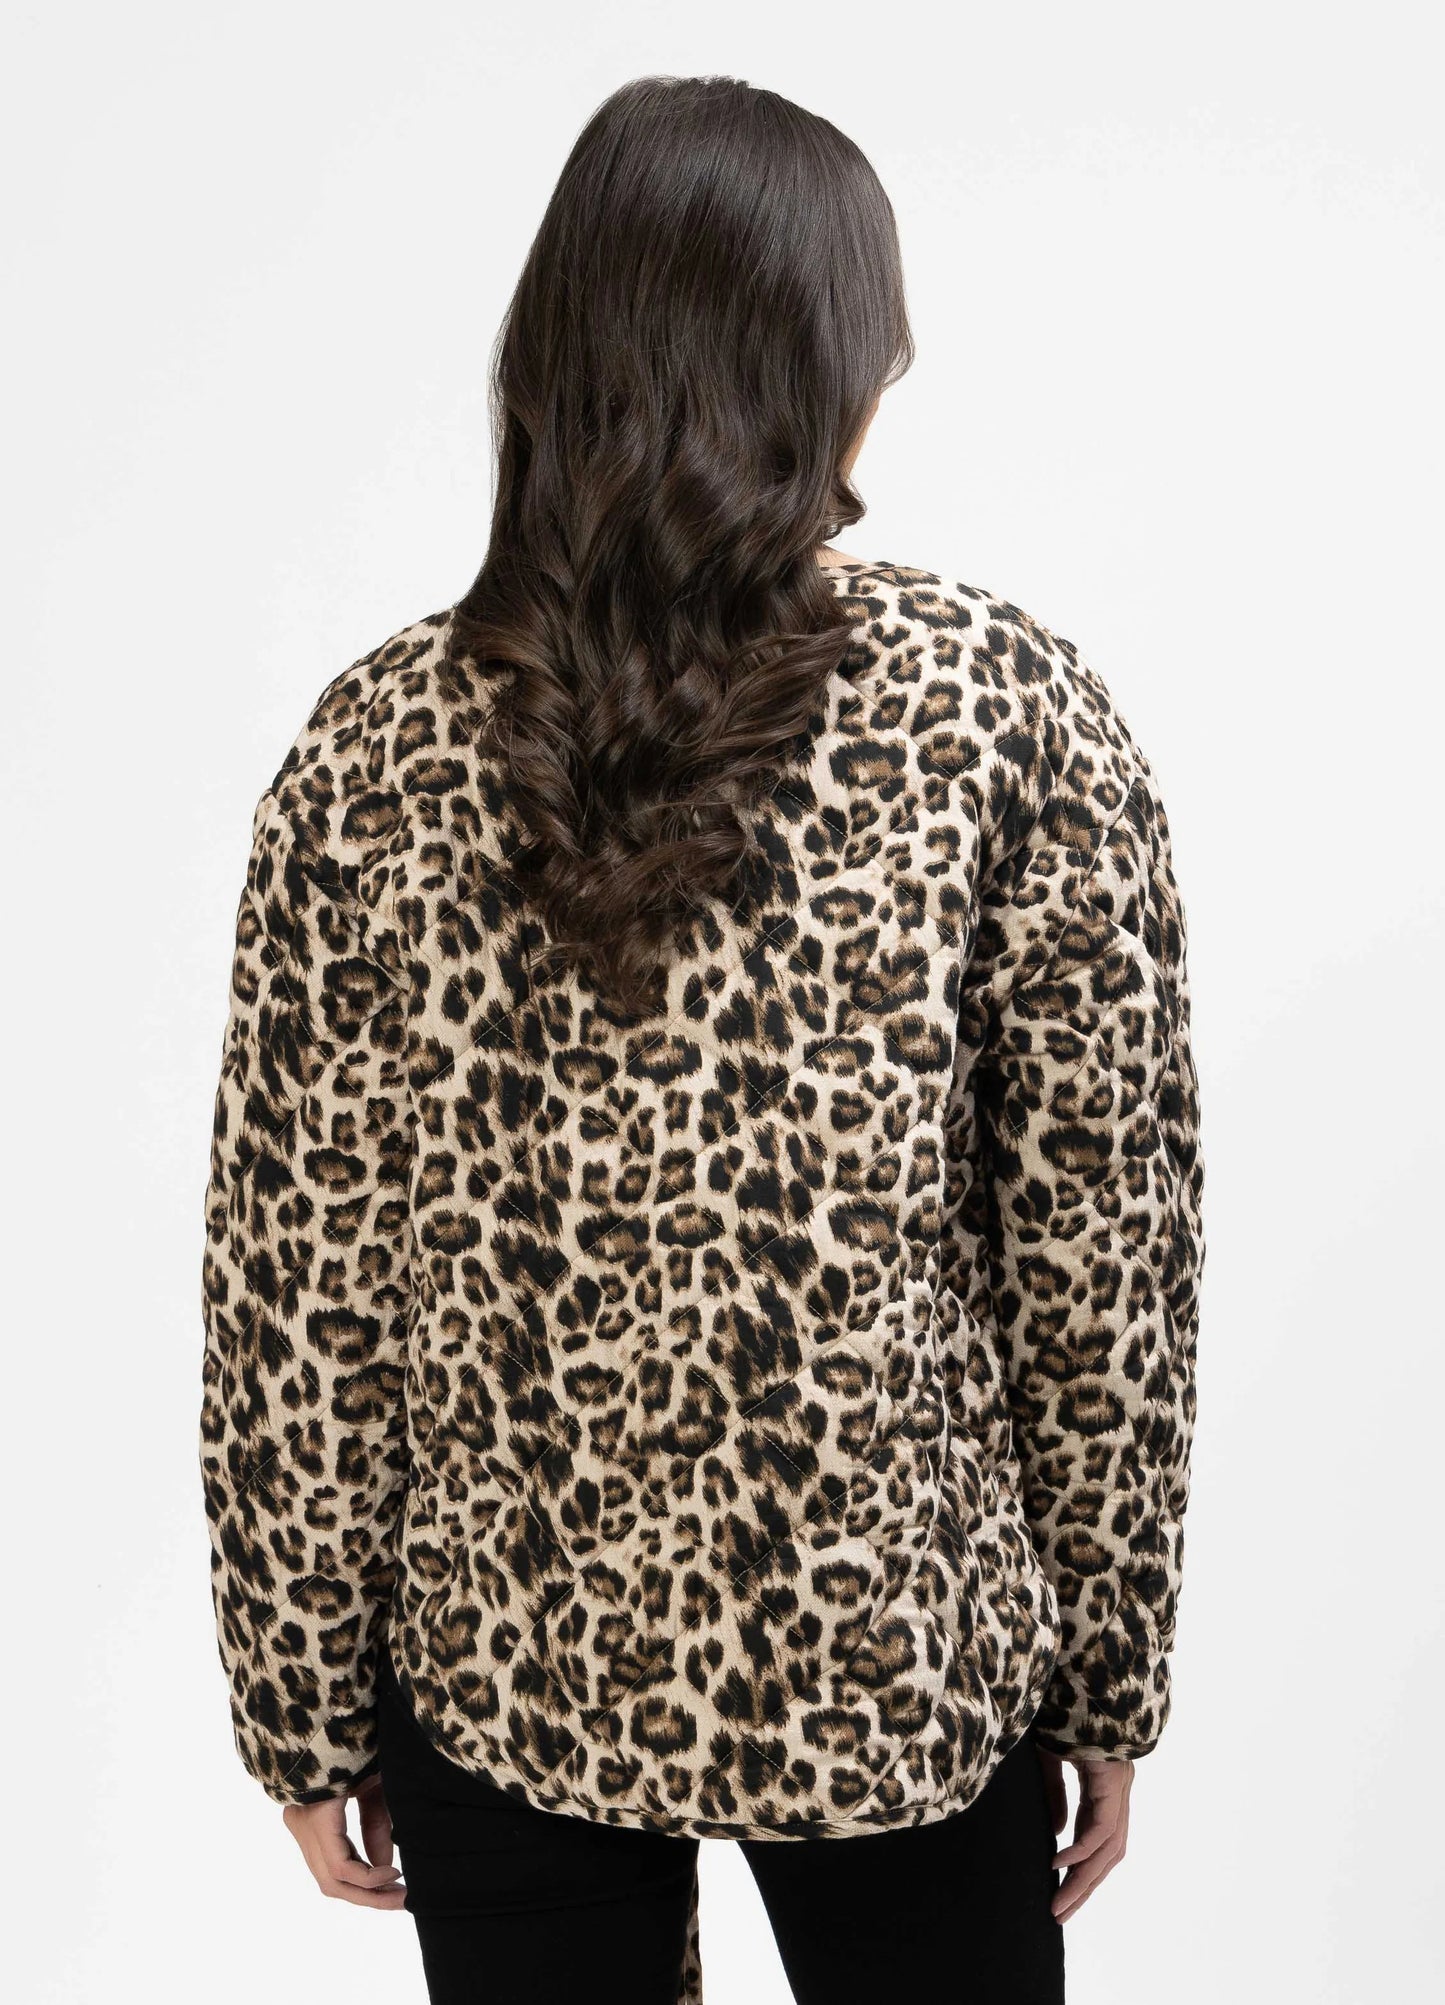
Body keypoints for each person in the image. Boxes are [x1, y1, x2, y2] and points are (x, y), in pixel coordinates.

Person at [199, 73, 1205, 2005]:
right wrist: (1104, 1666)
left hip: (506, 1651)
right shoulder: (1004, 710)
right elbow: (1101, 1252)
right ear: (827, 364)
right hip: (896, 1651)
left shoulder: (373, 746)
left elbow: (299, 1277)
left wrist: (299, 1693)